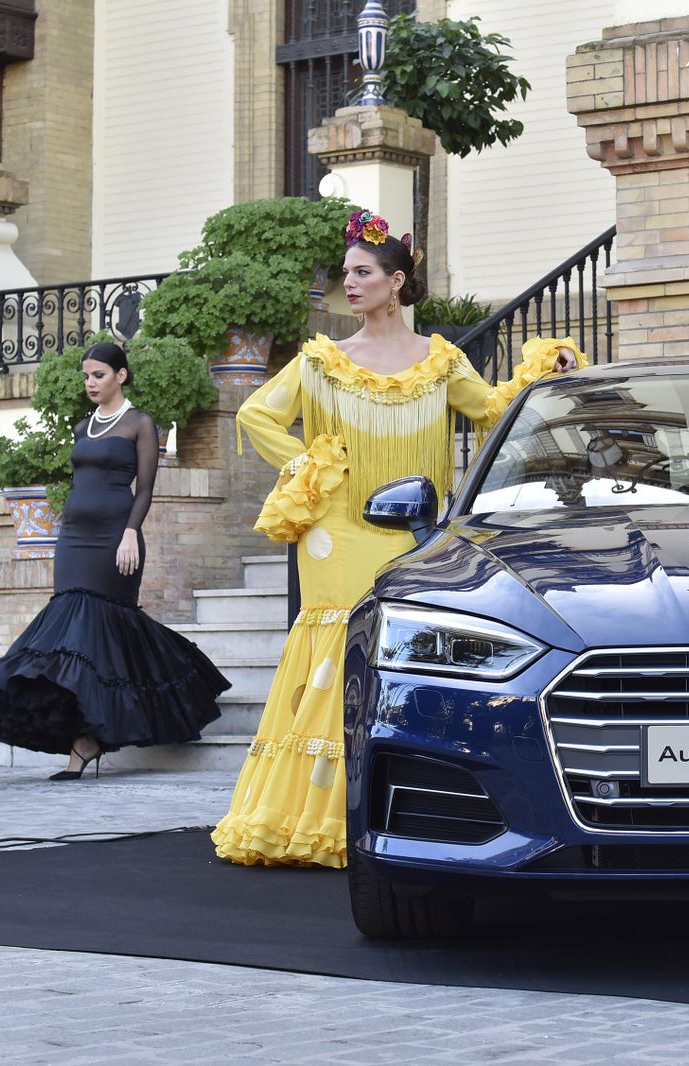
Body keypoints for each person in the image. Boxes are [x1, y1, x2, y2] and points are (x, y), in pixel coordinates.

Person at [211, 209, 584, 868]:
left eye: (362, 273)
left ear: (396, 281)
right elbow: (255, 413)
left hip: (415, 531)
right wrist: (309, 466)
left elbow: (494, 411)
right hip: (336, 529)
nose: (348, 284)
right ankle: (318, 820)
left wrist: (537, 374)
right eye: (346, 274)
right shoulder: (324, 360)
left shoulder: (439, 362)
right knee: (337, 645)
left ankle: (400, 807)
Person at [0, 342, 229, 780]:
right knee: (71, 630)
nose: (90, 382)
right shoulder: (83, 427)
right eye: (86, 376)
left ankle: (87, 742)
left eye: (98, 375)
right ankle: (83, 737)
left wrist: (129, 534)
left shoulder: (140, 423)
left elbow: (144, 490)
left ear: (120, 375)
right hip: (75, 539)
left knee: (101, 628)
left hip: (114, 538)